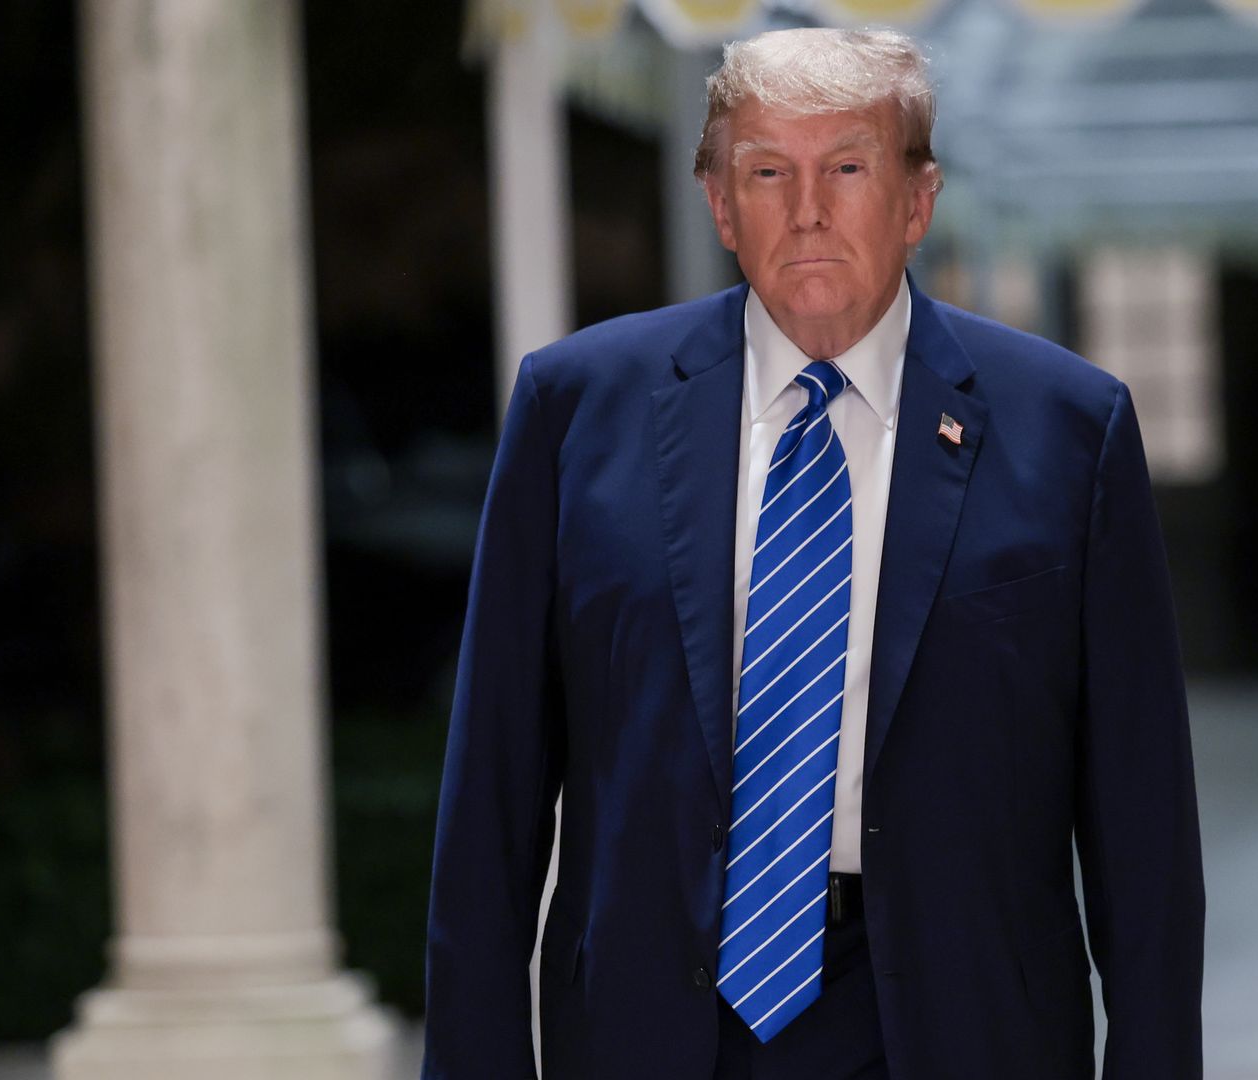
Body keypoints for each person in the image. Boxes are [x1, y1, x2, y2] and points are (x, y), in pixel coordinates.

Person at [419, 27, 1204, 1080]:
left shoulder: (1070, 429)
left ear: (918, 201)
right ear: (718, 204)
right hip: (654, 1027)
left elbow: (1142, 829)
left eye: (847, 167)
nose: (808, 210)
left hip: (963, 1026)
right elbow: (493, 800)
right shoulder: (574, 411)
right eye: (767, 172)